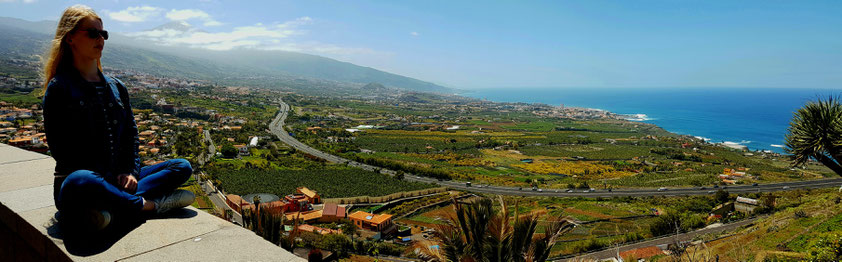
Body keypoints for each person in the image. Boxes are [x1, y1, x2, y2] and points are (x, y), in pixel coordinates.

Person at [42, 5, 195, 232]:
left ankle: (109, 210)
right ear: (70, 38)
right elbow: (63, 152)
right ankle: (150, 206)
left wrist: (130, 172)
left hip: (118, 180)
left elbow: (131, 136)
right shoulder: (60, 88)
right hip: (86, 185)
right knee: (79, 179)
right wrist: (107, 180)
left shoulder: (117, 87)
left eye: (103, 34)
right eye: (93, 33)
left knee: (182, 166)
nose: (100, 39)